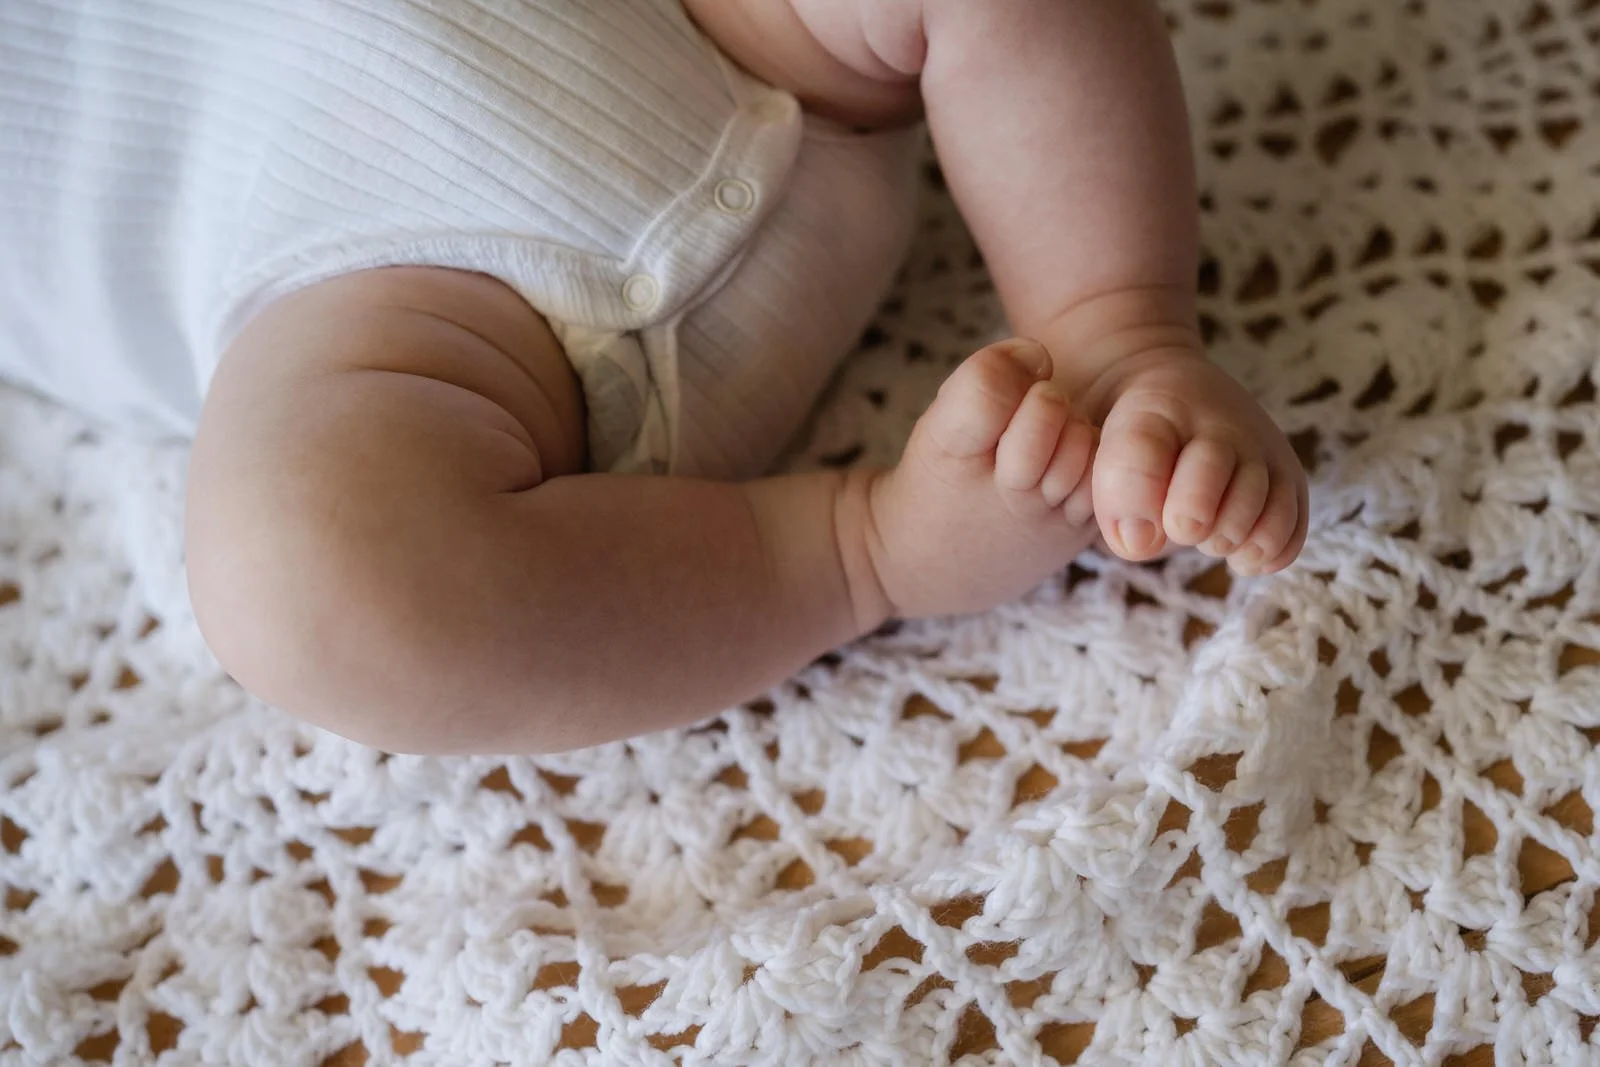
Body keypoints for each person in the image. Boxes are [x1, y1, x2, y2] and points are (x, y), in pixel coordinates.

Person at [0, 0, 1306, 754]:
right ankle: (860, 550)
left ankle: (1116, 335)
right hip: (398, 310)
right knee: (306, 577)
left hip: (700, 30)